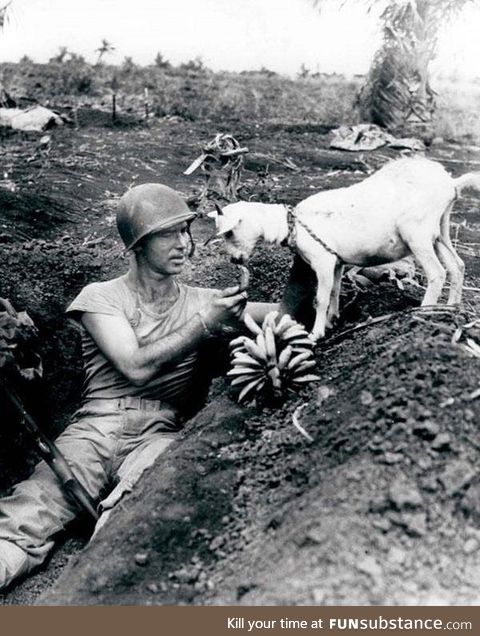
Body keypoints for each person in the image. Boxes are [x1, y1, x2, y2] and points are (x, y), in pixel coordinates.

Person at [0, 183, 276, 590]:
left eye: (186, 231)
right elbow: (136, 366)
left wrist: (312, 260)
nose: (183, 243)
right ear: (138, 245)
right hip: (95, 430)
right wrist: (205, 324)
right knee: (27, 515)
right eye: (169, 234)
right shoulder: (101, 297)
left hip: (161, 434)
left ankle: (91, 594)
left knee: (142, 514)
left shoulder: (206, 301)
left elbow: (289, 317)